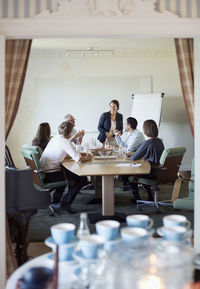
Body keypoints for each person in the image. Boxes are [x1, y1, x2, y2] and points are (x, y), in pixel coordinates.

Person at [39, 121, 92, 213]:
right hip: (51, 174)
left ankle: (57, 199)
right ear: (69, 133)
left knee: (74, 177)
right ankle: (65, 203)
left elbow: (63, 153)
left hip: (43, 172)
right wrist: (89, 156)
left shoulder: (55, 138)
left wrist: (77, 155)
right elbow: (79, 160)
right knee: (82, 179)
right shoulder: (65, 142)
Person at [128, 119, 165, 203]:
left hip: (150, 172)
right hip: (159, 172)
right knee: (141, 173)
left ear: (145, 130)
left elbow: (134, 157)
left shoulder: (147, 143)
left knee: (131, 176)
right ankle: (151, 197)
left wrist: (133, 154)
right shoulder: (160, 141)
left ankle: (137, 199)